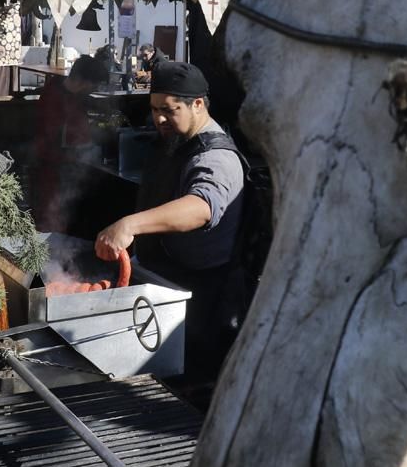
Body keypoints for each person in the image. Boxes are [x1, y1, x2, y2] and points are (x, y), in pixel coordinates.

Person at [95, 61, 249, 380]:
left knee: (184, 389)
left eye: (168, 109)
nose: (159, 118)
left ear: (197, 104)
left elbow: (202, 206)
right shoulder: (176, 139)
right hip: (164, 283)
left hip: (201, 300)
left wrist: (130, 225)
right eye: (154, 109)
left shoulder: (216, 156)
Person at [32, 55, 110, 232]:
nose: (94, 90)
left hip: (67, 166)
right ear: (84, 81)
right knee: (52, 217)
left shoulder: (71, 94)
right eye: (94, 85)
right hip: (54, 169)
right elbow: (55, 138)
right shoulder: (53, 98)